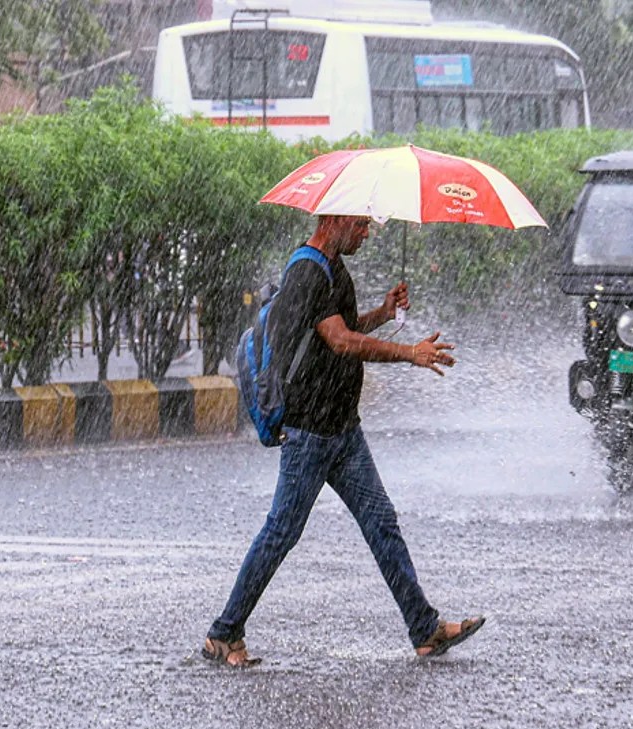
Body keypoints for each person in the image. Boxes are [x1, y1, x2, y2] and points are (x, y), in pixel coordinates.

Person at [202, 214, 484, 667]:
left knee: (381, 522)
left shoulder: (333, 267)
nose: (366, 233)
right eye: (360, 224)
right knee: (281, 533)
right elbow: (340, 342)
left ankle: (424, 628)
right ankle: (224, 633)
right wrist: (409, 353)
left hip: (342, 430)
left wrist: (384, 313)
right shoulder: (307, 271)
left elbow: (346, 328)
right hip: (310, 433)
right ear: (334, 219)